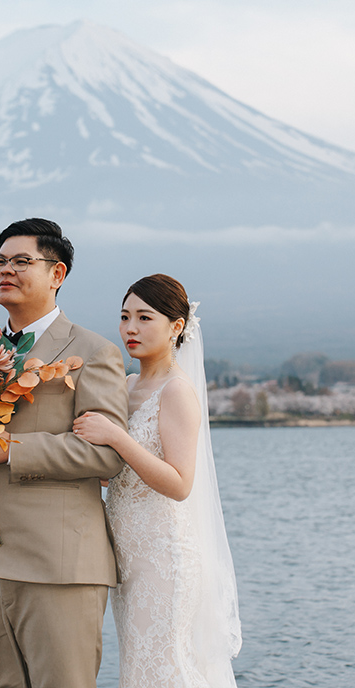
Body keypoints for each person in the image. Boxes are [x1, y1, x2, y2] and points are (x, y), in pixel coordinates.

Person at [0, 218, 130, 688]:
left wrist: (7, 450)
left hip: (57, 562)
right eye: (0, 261)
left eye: (22, 261)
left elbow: (106, 456)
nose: (7, 270)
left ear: (57, 274)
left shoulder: (92, 351)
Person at [72, 274, 241, 688]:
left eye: (145, 318)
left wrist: (114, 437)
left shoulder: (177, 391)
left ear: (176, 327)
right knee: (138, 666)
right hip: (125, 554)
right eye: (125, 316)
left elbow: (180, 483)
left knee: (164, 667)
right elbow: (125, 475)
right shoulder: (127, 386)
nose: (130, 328)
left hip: (164, 554)